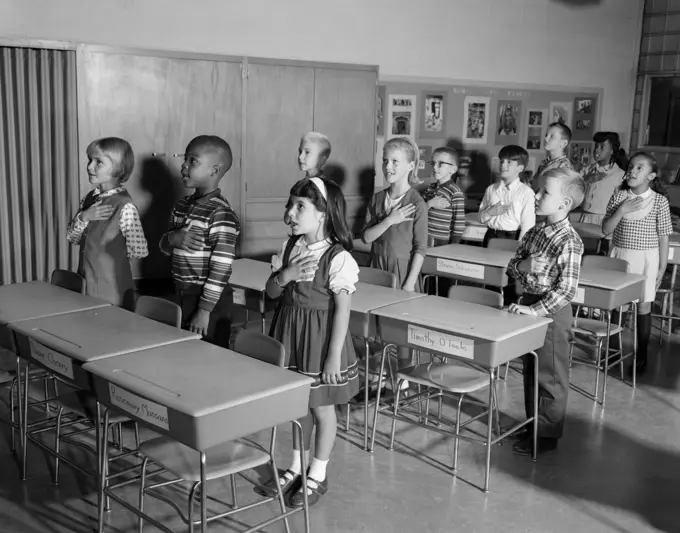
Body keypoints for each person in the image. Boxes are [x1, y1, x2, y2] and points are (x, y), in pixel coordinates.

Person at [262, 177, 360, 507]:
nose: (290, 212)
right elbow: (272, 291)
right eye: (289, 205)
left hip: (319, 341)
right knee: (296, 405)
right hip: (290, 334)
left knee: (321, 408)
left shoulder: (338, 257)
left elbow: (343, 312)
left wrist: (333, 358)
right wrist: (285, 275)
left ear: (323, 214)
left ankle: (317, 473)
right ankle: (295, 467)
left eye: (299, 206)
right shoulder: (291, 246)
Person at [507, 168, 586, 456]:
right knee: (531, 369)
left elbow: (566, 291)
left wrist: (535, 311)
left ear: (564, 204)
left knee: (550, 376)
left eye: (545, 192)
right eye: (538, 190)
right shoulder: (535, 232)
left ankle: (547, 434)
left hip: (551, 311)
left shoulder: (570, 241)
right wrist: (522, 268)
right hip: (529, 303)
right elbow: (512, 266)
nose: (537, 195)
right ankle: (532, 424)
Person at [160, 135, 240, 347]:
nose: (183, 166)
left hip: (209, 300)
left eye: (192, 161)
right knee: (183, 350)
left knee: (209, 355)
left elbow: (221, 268)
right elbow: (164, 248)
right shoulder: (181, 206)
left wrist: (204, 310)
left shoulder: (221, 213)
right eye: (185, 160)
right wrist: (172, 238)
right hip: (180, 291)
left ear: (214, 171)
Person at [602, 152, 672, 376]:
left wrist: (662, 267)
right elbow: (606, 229)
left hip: (646, 259)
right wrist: (621, 210)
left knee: (643, 305)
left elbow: (663, 236)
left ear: (651, 176)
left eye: (639, 168)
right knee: (616, 305)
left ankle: (641, 356)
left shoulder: (659, 201)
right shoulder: (619, 195)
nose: (632, 170)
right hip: (620, 257)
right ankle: (612, 352)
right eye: (631, 166)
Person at [362, 136, 428, 370]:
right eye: (385, 160)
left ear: (410, 166)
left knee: (401, 326)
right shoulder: (378, 198)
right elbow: (367, 237)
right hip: (377, 268)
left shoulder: (417, 202)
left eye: (395, 162)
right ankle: (376, 374)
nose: (388, 167)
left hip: (402, 270)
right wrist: (390, 220)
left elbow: (421, 248)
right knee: (376, 324)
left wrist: (409, 283)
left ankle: (404, 376)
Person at [67, 137, 148, 308]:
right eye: (90, 160)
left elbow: (140, 250)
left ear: (118, 168)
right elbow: (73, 239)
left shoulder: (125, 206)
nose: (89, 166)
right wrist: (84, 217)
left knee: (111, 329)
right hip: (85, 280)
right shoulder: (89, 199)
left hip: (112, 287)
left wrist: (111, 257)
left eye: (98, 162)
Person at [579, 131, 627, 255]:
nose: (597, 150)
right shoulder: (586, 170)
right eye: (596, 146)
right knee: (582, 256)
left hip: (605, 221)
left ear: (612, 150)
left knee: (601, 257)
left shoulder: (620, 175)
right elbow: (571, 192)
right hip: (585, 219)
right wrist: (585, 180)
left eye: (602, 147)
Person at [479, 145, 536, 246]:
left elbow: (528, 226)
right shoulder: (491, 189)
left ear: (520, 168)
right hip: (490, 235)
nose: (503, 165)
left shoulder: (526, 192)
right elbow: (480, 218)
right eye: (502, 161)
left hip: (512, 239)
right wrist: (489, 212)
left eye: (509, 162)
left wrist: (520, 249)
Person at [422, 147, 466, 246]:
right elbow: (420, 211)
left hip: (442, 240)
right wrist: (429, 204)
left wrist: (454, 244)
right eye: (433, 163)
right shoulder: (430, 188)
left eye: (440, 164)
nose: (434, 167)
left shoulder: (455, 192)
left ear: (453, 169)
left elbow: (459, 221)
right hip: (424, 236)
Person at [285, 132, 331, 225]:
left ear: (322, 158)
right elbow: (287, 219)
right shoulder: (300, 185)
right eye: (300, 151)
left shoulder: (326, 188)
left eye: (307, 152)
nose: (300, 157)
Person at [532, 123, 573, 190]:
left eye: (552, 136)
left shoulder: (564, 166)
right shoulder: (544, 162)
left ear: (563, 143)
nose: (546, 139)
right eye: (546, 135)